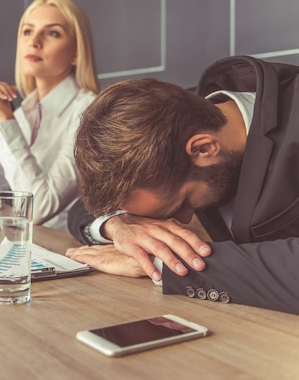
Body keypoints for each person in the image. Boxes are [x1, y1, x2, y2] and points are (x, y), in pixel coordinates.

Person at [65, 63, 299, 315]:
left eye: (182, 204)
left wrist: (162, 261)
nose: (184, 219)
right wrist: (120, 225)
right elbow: (83, 207)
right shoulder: (174, 117)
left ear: (203, 148)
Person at [0, 0, 99, 231]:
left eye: (52, 33)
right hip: (23, 246)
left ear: (76, 53)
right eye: (27, 31)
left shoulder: (89, 112)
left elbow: (39, 208)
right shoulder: (23, 113)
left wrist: (3, 120)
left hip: (67, 251)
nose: (34, 42)